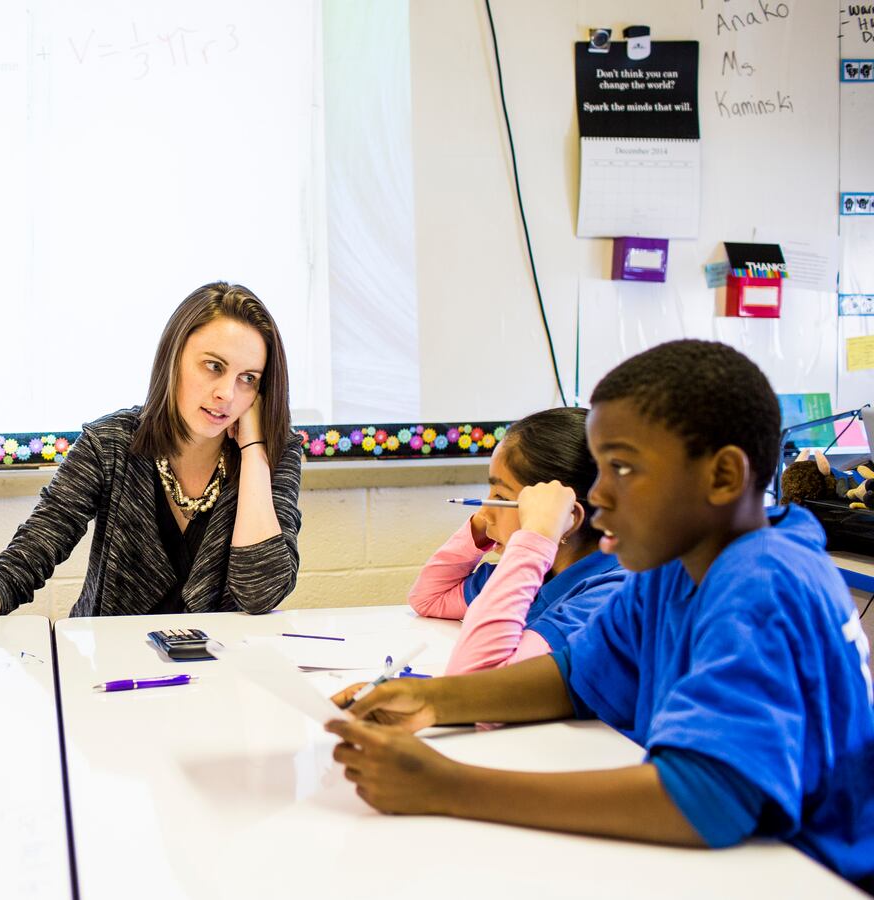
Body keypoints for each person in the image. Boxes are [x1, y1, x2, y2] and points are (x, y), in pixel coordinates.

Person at [329, 340, 874, 892]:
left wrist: (447, 786)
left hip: (807, 874)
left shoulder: (764, 583)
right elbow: (573, 678)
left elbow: (703, 800)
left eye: (622, 467)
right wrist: (432, 701)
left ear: (723, 476)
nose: (597, 493)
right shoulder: (675, 566)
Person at [0, 282, 303, 640]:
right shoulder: (110, 443)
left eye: (248, 378)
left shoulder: (274, 453)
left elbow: (261, 592)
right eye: (213, 366)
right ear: (174, 358)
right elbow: (31, 554)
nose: (226, 394)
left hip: (224, 679)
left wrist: (254, 451)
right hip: (109, 672)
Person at [407, 407, 625, 674]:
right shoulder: (538, 573)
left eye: (499, 497)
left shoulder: (606, 598)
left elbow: (477, 683)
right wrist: (481, 528)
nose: (483, 513)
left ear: (566, 515)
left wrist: (536, 539)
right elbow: (429, 598)